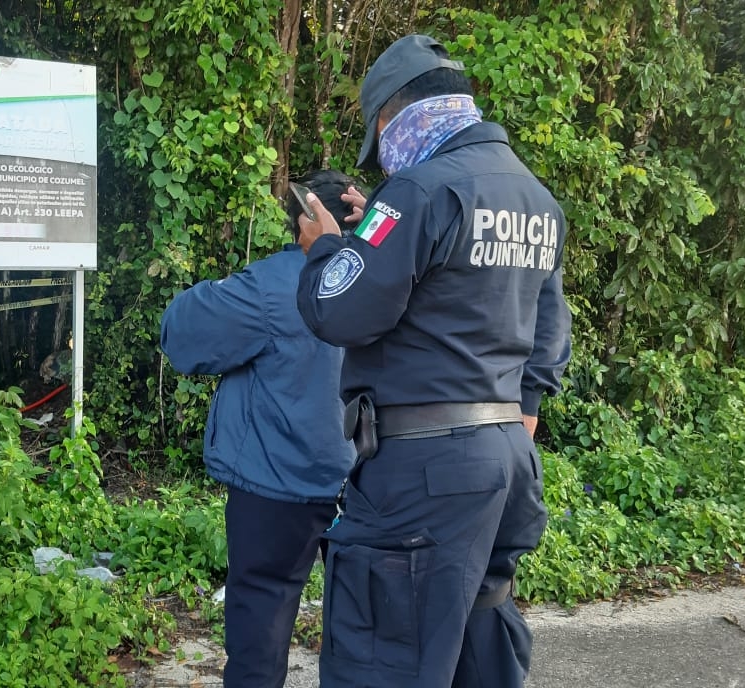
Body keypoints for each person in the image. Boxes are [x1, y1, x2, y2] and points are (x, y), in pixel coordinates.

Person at [292, 35, 572, 687]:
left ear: (393, 115)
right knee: (476, 644)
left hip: (422, 474)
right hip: (505, 464)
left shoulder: (419, 192)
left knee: (383, 656)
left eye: (380, 136)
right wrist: (503, 437)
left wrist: (326, 247)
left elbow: (338, 310)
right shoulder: (536, 200)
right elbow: (547, 345)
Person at [159, 170, 361, 688]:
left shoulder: (276, 283)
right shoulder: (387, 277)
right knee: (366, 636)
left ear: (302, 217)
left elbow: (180, 333)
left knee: (258, 639)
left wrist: (221, 286)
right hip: (369, 483)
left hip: (278, 487)